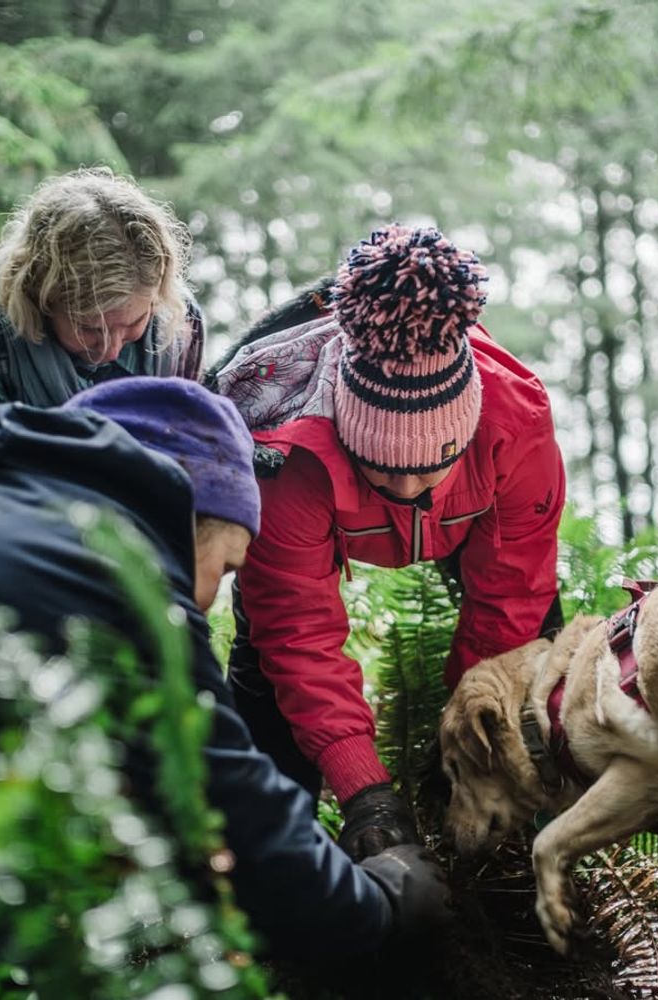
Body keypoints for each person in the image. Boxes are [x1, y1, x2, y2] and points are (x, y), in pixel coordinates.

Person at [0, 376, 449, 986]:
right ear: (189, 514)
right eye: (224, 568)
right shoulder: (118, 576)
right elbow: (224, 801)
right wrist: (378, 899)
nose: (205, 600)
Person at [212, 223, 566, 860]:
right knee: (266, 677)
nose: (405, 486)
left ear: (467, 432)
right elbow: (299, 637)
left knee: (537, 653)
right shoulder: (290, 466)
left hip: (473, 518)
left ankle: (535, 852)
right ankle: (274, 865)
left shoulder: (518, 428)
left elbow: (510, 599)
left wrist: (468, 734)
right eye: (381, 466)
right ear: (348, 432)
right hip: (313, 515)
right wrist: (365, 792)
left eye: (431, 466)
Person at [0, 167, 203, 454]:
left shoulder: (178, 323)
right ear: (38, 297)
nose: (111, 350)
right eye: (90, 328)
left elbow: (193, 452)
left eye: (135, 323)